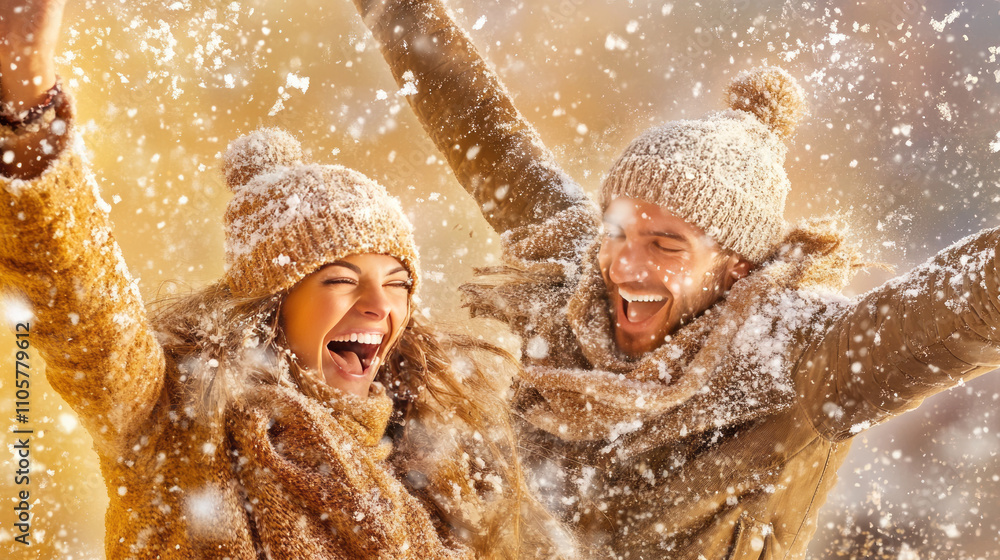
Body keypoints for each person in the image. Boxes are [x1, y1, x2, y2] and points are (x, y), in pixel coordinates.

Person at [346, 0, 1000, 558]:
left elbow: (956, 306)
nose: (627, 265)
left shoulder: (805, 359)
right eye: (620, 232)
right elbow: (479, 122)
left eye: (665, 245)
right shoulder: (571, 273)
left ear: (734, 266)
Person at [1, 2, 568, 558]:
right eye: (341, 280)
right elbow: (82, 303)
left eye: (398, 283)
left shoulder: (445, 474)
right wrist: (26, 109)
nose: (379, 306)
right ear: (272, 305)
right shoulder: (181, 430)